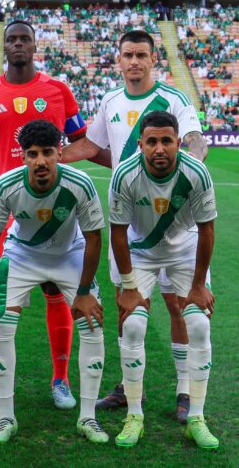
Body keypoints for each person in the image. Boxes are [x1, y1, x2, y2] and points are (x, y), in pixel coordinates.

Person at [62, 30, 208, 421]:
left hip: (173, 222)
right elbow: (91, 146)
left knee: (177, 305)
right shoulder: (110, 100)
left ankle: (183, 389)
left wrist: (190, 168)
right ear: (119, 60)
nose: (134, 62)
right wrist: (53, 156)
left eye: (141, 55)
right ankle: (130, 388)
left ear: (153, 59)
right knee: (127, 305)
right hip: (128, 223)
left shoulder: (173, 99)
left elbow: (196, 140)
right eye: (128, 55)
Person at [0, 20, 89, 410]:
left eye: (24, 39)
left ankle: (61, 379)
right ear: (4, 47)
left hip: (51, 205)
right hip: (2, 207)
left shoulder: (58, 90)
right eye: (12, 39)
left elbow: (81, 140)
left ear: (34, 46)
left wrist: (53, 165)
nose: (18, 44)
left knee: (54, 289)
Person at [0, 120, 107, 444]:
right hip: (23, 255)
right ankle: (6, 417)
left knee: (92, 324)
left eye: (47, 152)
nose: (40, 161)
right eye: (32, 154)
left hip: (69, 254)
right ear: (23, 156)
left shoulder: (80, 184)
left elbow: (94, 238)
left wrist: (84, 292)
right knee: (2, 324)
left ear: (59, 153)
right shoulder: (6, 184)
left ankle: (88, 418)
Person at [108, 111, 217, 449]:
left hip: (184, 249)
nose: (159, 148)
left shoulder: (196, 171)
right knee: (132, 325)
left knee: (199, 325)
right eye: (152, 141)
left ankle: (196, 417)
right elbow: (118, 232)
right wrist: (129, 286)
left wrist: (198, 286)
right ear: (140, 144)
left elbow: (207, 229)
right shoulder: (125, 174)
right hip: (140, 251)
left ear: (178, 143)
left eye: (166, 141)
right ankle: (134, 416)